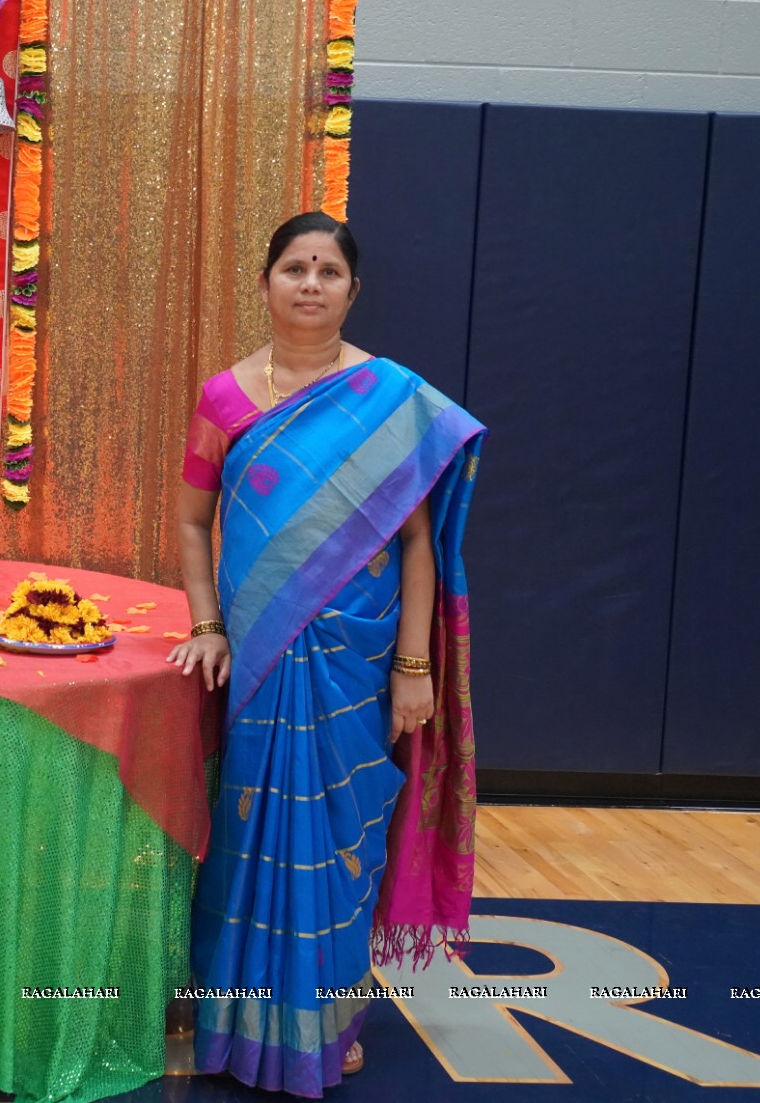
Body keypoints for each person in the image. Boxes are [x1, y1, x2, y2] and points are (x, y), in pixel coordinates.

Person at [166, 212, 485, 1096]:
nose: (310, 283)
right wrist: (205, 623)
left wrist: (413, 669)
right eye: (294, 267)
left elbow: (420, 545)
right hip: (259, 661)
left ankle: (327, 1022)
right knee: (246, 835)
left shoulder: (390, 401)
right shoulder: (223, 398)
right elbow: (194, 522)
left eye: (328, 270)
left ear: (352, 290)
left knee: (344, 840)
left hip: (358, 662)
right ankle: (234, 1019)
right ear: (265, 282)